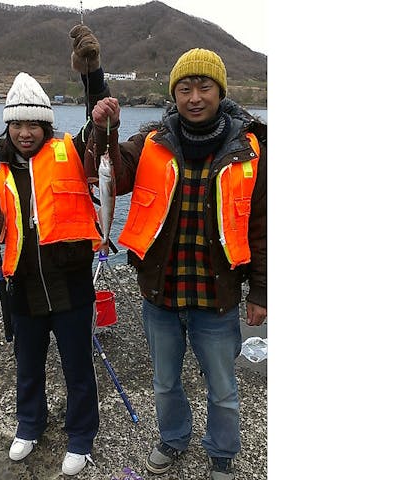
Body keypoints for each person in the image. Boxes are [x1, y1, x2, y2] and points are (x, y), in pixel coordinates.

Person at [85, 48, 267, 480]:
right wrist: (102, 130)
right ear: (174, 94)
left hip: (217, 294)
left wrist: (260, 291)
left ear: (220, 92)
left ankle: (221, 452)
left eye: (204, 86)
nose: (194, 96)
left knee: (223, 389)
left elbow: (262, 226)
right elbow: (112, 171)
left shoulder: (251, 149)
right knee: (165, 382)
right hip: (160, 292)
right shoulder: (151, 139)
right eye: (185, 88)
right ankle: (173, 437)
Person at [0, 25, 110, 476]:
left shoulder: (71, 150)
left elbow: (99, 119)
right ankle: (29, 424)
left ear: (47, 124)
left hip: (70, 284)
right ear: (8, 125)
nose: (25, 132)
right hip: (23, 288)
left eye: (33, 123)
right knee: (27, 366)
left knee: (78, 368)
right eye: (17, 123)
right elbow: (0, 235)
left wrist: (92, 72)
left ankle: (81, 436)